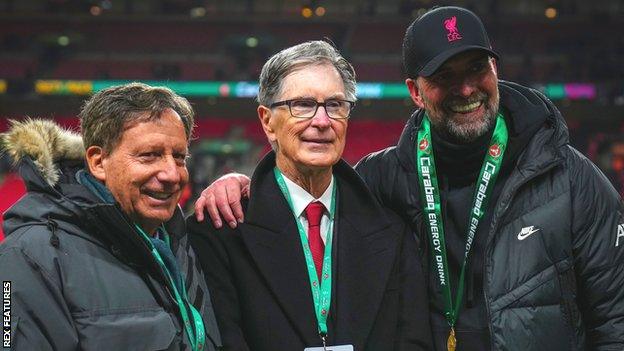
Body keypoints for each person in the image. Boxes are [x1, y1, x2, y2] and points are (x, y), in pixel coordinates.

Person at [194, 7, 624, 351]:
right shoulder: (383, 178)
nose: (466, 88)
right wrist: (242, 181)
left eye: (476, 68)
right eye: (444, 77)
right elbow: (305, 195)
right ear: (416, 92)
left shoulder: (570, 176)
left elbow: (615, 318)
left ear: (495, 69)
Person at [187, 40, 432, 351]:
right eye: (302, 104)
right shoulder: (220, 231)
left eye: (335, 105)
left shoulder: (393, 231)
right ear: (267, 121)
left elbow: (414, 341)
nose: (321, 121)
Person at [0, 83, 222, 350]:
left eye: (179, 157)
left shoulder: (184, 241)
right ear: (97, 162)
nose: (172, 174)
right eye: (149, 156)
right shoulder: (30, 256)